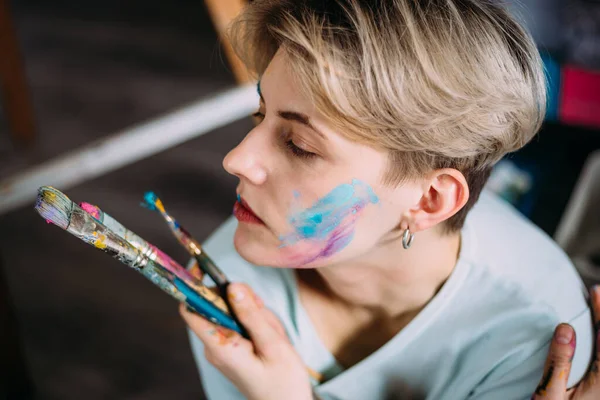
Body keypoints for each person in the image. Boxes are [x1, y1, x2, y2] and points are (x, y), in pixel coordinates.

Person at [182, 0, 594, 398]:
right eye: (260, 112)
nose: (236, 159)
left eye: (300, 145)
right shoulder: (232, 279)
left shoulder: (537, 344)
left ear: (429, 200)